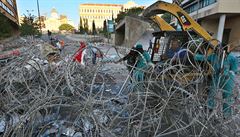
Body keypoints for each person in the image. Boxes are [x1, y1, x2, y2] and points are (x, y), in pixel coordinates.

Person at [194, 45, 238, 117]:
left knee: (227, 96)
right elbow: (204, 58)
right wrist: (195, 56)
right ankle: (209, 109)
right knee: (212, 92)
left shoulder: (232, 58)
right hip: (217, 77)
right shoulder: (214, 56)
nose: (218, 53)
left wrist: (226, 72)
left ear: (225, 51)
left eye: (219, 51)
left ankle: (226, 114)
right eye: (217, 51)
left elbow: (235, 70)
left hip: (228, 79)